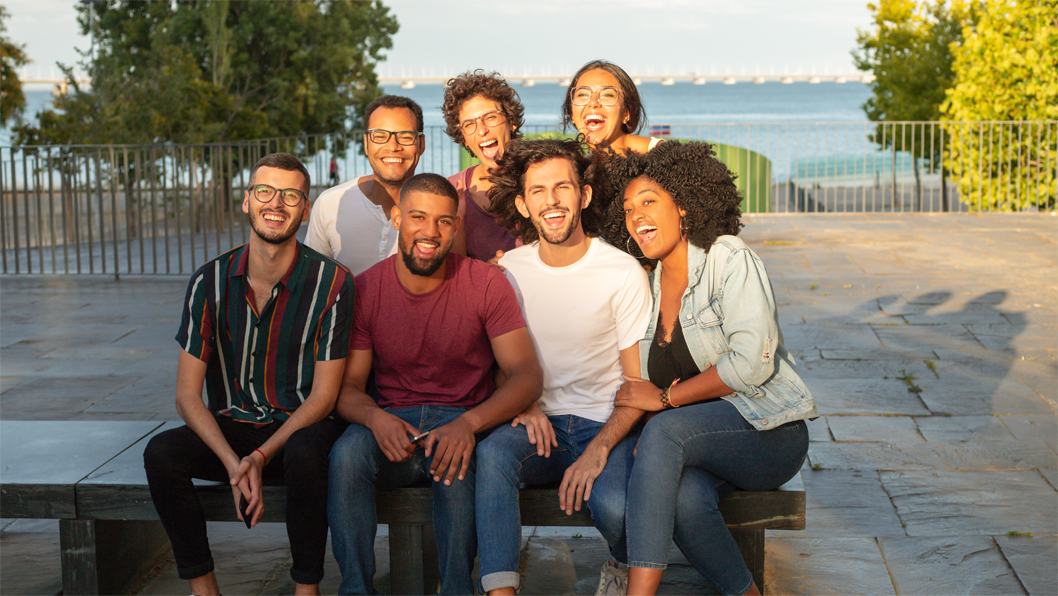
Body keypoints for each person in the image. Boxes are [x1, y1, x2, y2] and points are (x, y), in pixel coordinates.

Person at [600, 141, 817, 596]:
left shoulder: (728, 257)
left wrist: (665, 401)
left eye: (649, 201)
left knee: (664, 432)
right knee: (684, 499)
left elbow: (749, 365)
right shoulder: (649, 283)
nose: (636, 215)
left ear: (683, 207)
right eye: (628, 207)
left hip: (769, 431)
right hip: (702, 439)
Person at [143, 153, 354, 596]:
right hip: (233, 431)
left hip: (299, 427)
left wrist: (260, 457)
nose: (276, 203)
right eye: (265, 191)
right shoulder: (210, 281)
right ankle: (205, 589)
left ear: (305, 208)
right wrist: (233, 461)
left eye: (290, 195)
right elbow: (186, 395)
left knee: (306, 452)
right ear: (247, 201)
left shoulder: (333, 283)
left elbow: (324, 398)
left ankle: (306, 587)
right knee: (161, 454)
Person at [327, 173, 543, 596]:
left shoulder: (485, 282)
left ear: (456, 227)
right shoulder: (366, 288)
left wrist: (470, 424)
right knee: (346, 454)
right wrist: (375, 418)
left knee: (456, 464)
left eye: (444, 221)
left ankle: (457, 589)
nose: (430, 232)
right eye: (418, 218)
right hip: (393, 425)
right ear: (396, 218)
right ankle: (355, 588)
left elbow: (526, 376)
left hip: (462, 420)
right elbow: (348, 388)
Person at [476, 139, 653, 596]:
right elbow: (497, 362)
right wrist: (525, 403)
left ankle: (621, 563)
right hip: (539, 428)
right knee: (492, 455)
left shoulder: (621, 271)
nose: (551, 201)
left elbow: (637, 383)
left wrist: (599, 450)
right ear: (522, 203)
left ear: (585, 195)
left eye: (562, 188)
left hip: (606, 424)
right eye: (537, 191)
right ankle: (500, 592)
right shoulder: (508, 271)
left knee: (614, 505)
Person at [306, 95, 426, 275]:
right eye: (380, 136)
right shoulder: (330, 203)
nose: (393, 146)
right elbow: (312, 281)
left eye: (405, 136)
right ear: (366, 143)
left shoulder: (439, 211)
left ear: (421, 144)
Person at [441, 70, 525, 261]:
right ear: (463, 138)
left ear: (511, 121)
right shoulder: (452, 191)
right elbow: (448, 271)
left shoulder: (542, 181)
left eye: (490, 117)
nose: (482, 131)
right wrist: (484, 275)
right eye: (469, 124)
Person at [562, 60, 659, 154]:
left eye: (607, 95)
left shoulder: (663, 158)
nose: (593, 102)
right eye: (582, 94)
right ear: (572, 114)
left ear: (626, 113)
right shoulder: (578, 168)